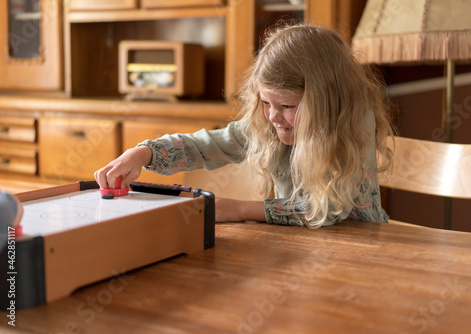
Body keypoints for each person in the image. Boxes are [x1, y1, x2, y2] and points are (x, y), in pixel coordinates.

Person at [95, 23, 394, 228]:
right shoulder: (270, 125)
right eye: (266, 103)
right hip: (301, 249)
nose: (273, 116)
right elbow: (207, 146)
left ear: (326, 103)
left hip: (361, 252)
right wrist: (141, 154)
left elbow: (326, 208)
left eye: (287, 106)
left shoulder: (353, 124)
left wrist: (238, 209)